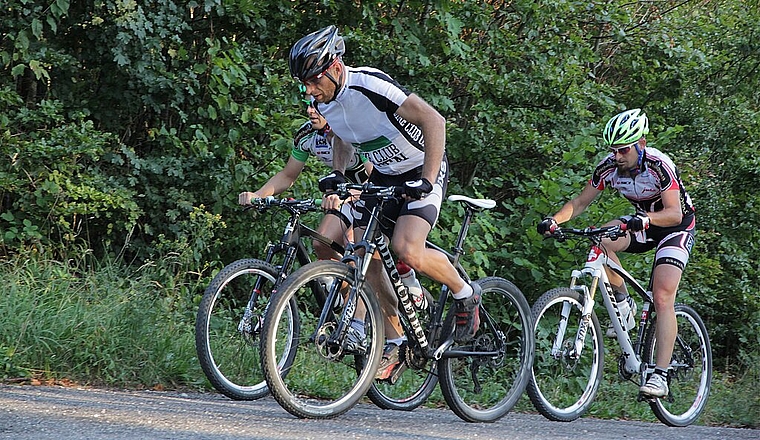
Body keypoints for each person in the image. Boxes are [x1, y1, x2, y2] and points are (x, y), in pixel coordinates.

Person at [288, 25, 481, 381]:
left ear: (334, 67)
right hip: (385, 174)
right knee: (365, 253)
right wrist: (339, 173)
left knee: (406, 248)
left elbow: (434, 120)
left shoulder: (369, 85)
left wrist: (426, 177)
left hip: (422, 165)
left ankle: (466, 292)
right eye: (304, 84)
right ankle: (397, 338)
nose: (310, 91)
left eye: (314, 80)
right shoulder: (323, 102)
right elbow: (345, 138)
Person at [537, 108, 696, 398]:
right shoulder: (608, 167)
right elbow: (581, 201)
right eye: (613, 150)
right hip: (642, 223)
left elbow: (674, 213)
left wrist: (647, 219)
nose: (618, 156)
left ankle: (660, 376)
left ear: (641, 144)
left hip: (675, 227)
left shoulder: (659, 166)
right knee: (601, 239)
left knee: (662, 296)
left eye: (623, 150)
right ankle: (625, 305)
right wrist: (554, 220)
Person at [238, 98, 372, 352]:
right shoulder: (308, 135)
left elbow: (374, 176)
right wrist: (259, 195)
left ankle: (359, 322)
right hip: (341, 196)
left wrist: (348, 195)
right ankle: (343, 294)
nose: (310, 111)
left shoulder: (352, 132)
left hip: (369, 194)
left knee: (355, 249)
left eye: (316, 106)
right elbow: (288, 176)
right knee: (321, 243)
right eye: (308, 106)